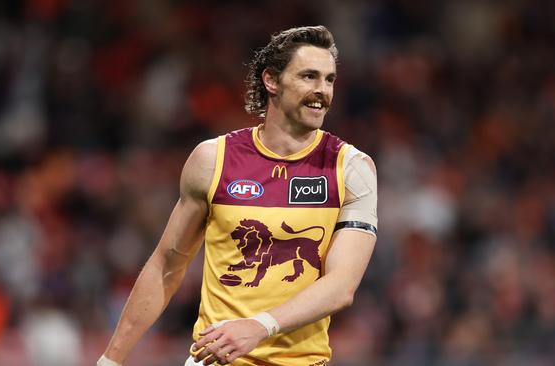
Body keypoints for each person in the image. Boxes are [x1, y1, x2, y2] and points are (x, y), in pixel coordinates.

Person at [97, 25, 378, 366]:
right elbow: (165, 266)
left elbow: (342, 286)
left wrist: (260, 326)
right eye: (309, 76)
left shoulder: (351, 169)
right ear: (271, 81)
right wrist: (111, 360)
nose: (322, 91)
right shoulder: (212, 160)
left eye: (329, 79)